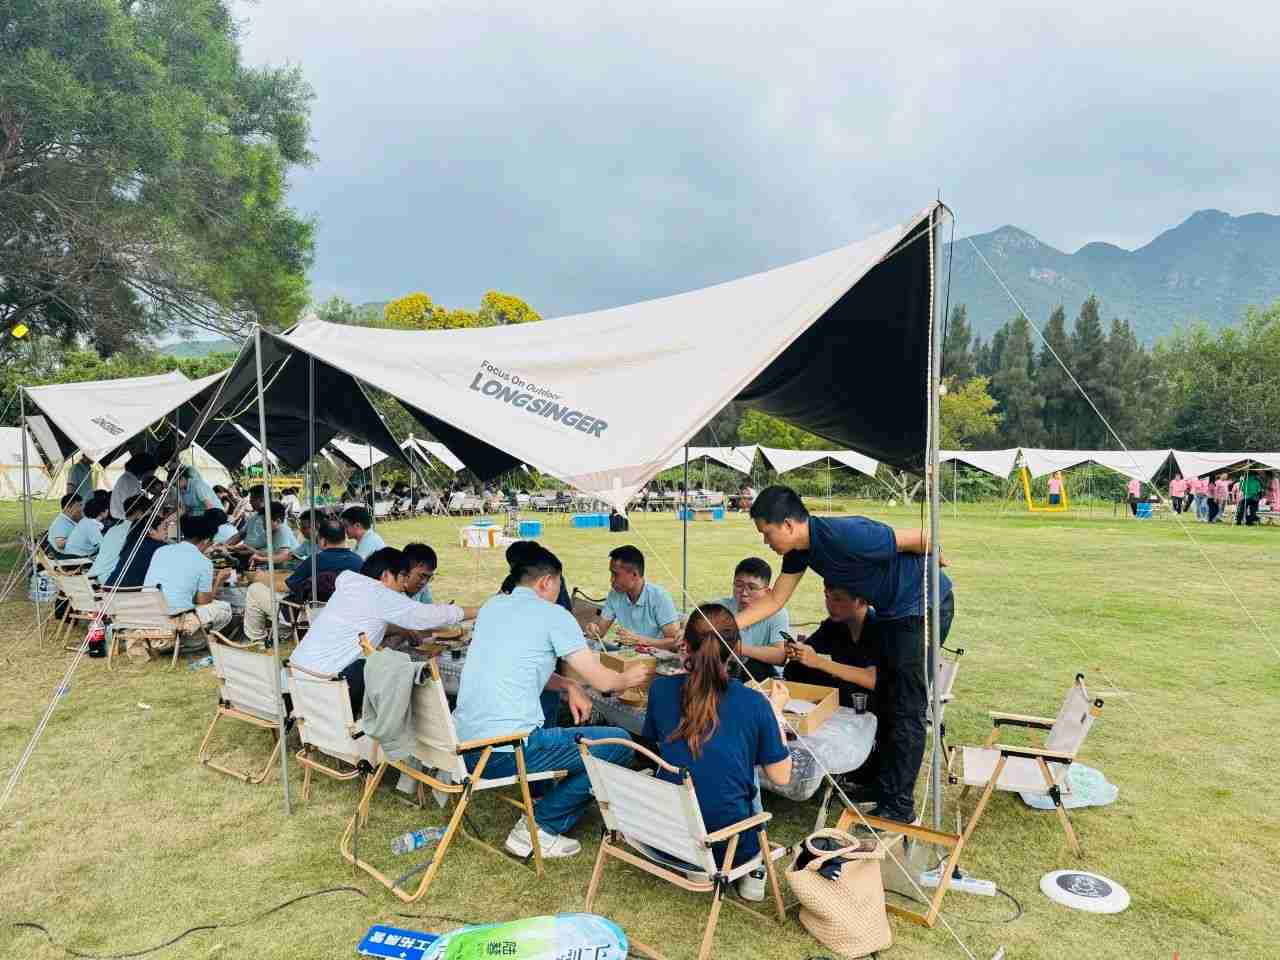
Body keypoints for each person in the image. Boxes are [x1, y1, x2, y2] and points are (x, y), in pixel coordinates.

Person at [740, 485, 953, 824]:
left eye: (767, 533)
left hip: (923, 604)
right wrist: (728, 626)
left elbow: (922, 537)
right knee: (887, 695)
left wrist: (937, 559)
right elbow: (776, 599)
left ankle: (899, 808)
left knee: (905, 704)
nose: (766, 542)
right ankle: (879, 784)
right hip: (893, 611)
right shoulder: (800, 552)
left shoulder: (846, 535)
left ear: (788, 525)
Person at [454, 544, 650, 859]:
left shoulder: (492, 606)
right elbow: (604, 682)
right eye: (559, 584)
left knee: (583, 741)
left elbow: (524, 666)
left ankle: (549, 803)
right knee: (618, 744)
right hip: (506, 751)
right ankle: (541, 828)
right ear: (547, 581)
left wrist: (569, 684)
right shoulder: (553, 615)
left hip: (463, 747)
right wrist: (633, 675)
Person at [641, 604, 791, 897]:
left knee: (710, 762)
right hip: (726, 847)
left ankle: (701, 865)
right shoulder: (755, 704)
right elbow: (781, 776)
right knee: (743, 769)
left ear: (685, 645)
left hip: (665, 836)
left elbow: (664, 747)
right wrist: (776, 714)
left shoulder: (660, 689)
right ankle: (752, 871)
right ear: (736, 649)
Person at [289, 547, 476, 715]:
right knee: (397, 672)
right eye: (402, 578)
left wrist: (401, 630)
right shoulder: (379, 594)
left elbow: (364, 624)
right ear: (386, 575)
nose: (404, 586)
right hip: (328, 689)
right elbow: (426, 615)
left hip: (297, 679)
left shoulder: (353, 585)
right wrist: (480, 610)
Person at [784, 583, 881, 783]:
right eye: (827, 596)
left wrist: (819, 662)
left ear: (861, 601)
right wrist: (798, 651)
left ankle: (861, 764)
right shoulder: (834, 624)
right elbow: (810, 650)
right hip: (843, 692)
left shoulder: (878, 627)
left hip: (874, 699)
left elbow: (873, 679)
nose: (829, 604)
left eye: (837, 599)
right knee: (795, 669)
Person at [243, 517, 364, 644]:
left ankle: (257, 638)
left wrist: (261, 578)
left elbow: (288, 586)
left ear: (322, 541)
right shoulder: (359, 561)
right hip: (346, 618)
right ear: (344, 539)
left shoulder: (314, 561)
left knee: (254, 589)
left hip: (308, 617)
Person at [143, 513, 234, 654]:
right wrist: (219, 580)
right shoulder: (204, 562)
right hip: (175, 619)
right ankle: (189, 642)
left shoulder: (160, 551)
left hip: (147, 616)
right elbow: (203, 601)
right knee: (224, 608)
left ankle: (183, 641)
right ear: (206, 540)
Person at [584, 545, 681, 650]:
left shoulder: (659, 597)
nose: (611, 580)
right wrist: (593, 630)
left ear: (634, 574)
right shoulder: (615, 594)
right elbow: (600, 632)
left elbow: (675, 642)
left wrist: (640, 640)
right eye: (611, 574)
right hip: (627, 654)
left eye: (615, 574)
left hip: (654, 656)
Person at [715, 558, 790, 680]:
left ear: (767, 592)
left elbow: (780, 656)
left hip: (764, 676)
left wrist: (740, 649)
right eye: (739, 585)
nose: (744, 593)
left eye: (752, 588)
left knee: (755, 666)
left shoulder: (777, 613)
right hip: (727, 670)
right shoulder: (721, 607)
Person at [104, 506, 174, 589]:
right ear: (151, 530)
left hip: (110, 587)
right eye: (165, 529)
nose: (167, 532)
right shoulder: (157, 547)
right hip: (125, 592)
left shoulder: (136, 542)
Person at [89, 494, 151, 582]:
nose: (151, 517)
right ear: (138, 513)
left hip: (95, 574)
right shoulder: (136, 533)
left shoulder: (113, 529)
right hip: (109, 579)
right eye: (149, 513)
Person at [247, 502, 300, 567]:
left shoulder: (282, 530)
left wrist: (261, 559)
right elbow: (272, 553)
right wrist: (258, 554)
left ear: (278, 521)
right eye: (263, 520)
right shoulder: (271, 532)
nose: (263, 523)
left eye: (265, 521)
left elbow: (283, 556)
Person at [109, 453, 157, 521]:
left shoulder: (129, 479)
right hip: (126, 520)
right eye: (151, 473)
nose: (151, 475)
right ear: (144, 470)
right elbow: (136, 511)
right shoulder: (129, 482)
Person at [63, 492, 111, 557]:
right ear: (102, 512)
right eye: (107, 509)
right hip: (76, 557)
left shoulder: (85, 521)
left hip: (70, 553)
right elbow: (103, 546)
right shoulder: (92, 525)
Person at [223, 486, 267, 553]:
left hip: (255, 555)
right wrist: (225, 545)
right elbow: (241, 534)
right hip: (244, 552)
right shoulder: (254, 517)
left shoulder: (272, 519)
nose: (250, 502)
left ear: (262, 499)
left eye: (252, 499)